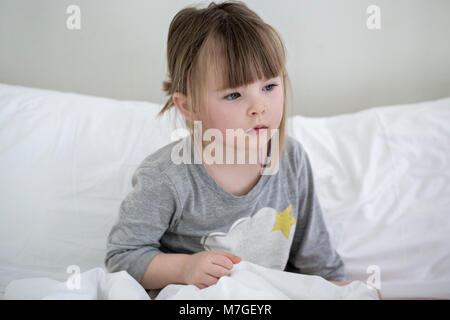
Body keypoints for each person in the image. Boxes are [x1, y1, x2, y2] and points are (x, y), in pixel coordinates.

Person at [105, 0, 364, 299]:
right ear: (189, 106)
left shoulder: (291, 160)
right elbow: (121, 258)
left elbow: (316, 263)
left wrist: (344, 291)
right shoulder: (166, 176)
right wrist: (185, 268)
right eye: (233, 95)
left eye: (269, 86)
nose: (259, 107)